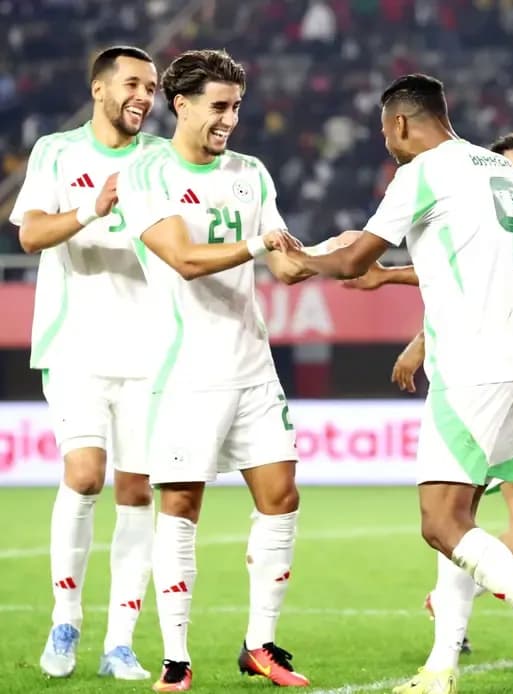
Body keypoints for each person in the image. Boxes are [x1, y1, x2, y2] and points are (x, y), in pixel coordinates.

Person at [286, 73, 513, 694]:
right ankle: (440, 668)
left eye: (385, 134)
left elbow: (353, 261)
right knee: (464, 517)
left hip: (471, 365)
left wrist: (303, 260)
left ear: (401, 123)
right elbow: (464, 257)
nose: (387, 146)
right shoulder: (496, 169)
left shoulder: (421, 172)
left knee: (438, 522)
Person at [114, 48, 313, 691]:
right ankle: (177, 656)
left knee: (281, 497)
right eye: (219, 106)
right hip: (185, 370)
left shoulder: (251, 171)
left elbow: (283, 261)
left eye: (236, 106)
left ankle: (261, 645)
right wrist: (260, 245)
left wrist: (341, 259)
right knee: (181, 504)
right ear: (182, 104)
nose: (230, 117)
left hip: (252, 365)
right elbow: (184, 258)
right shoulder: (149, 171)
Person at [345, 128, 513, 662]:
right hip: (492, 370)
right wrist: (422, 340)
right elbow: (459, 274)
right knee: (475, 508)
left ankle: (457, 599)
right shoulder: (494, 210)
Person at [10, 45, 163, 682]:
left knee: (136, 489)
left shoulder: (160, 159)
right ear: (100, 89)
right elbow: (30, 233)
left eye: (152, 88)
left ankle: (119, 641)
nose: (144, 96)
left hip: (151, 349)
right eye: (133, 83)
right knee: (84, 474)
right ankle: (65, 617)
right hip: (75, 344)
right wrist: (91, 211)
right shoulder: (56, 151)